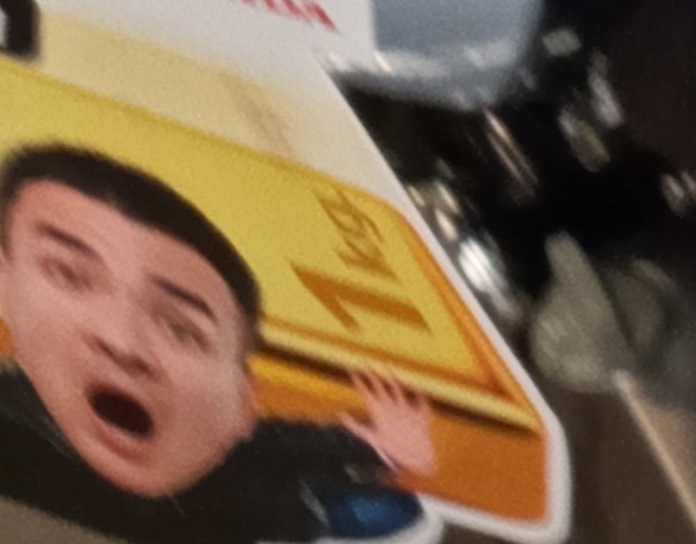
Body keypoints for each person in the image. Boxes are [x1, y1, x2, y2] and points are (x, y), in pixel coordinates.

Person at [0, 144, 437, 542]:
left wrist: (388, 449)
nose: (122, 342)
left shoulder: (261, 482)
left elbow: (283, 445)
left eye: (181, 329)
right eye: (69, 275)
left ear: (244, 401)